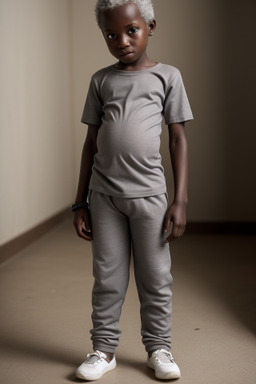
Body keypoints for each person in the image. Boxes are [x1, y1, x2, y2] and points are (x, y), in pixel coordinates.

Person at [71, 0, 193, 381]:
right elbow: (91, 143)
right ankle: (103, 350)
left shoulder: (167, 77)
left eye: (131, 30)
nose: (121, 40)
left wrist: (180, 199)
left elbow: (178, 140)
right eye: (111, 34)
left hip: (151, 198)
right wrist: (80, 201)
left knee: (156, 277)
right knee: (107, 277)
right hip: (104, 197)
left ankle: (159, 347)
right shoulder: (101, 80)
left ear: (150, 26)